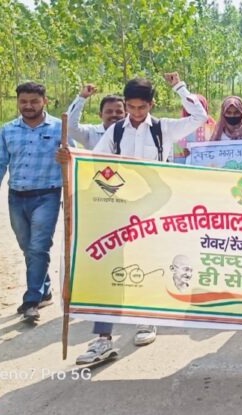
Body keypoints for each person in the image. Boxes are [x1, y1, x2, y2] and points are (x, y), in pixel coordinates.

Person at [70, 73, 208, 363]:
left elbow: (200, 116)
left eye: (141, 108)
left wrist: (179, 87)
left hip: (154, 207)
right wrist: (70, 160)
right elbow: (95, 161)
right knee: (110, 266)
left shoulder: (163, 129)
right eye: (131, 107)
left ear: (151, 104)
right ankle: (102, 339)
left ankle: (146, 319)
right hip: (119, 206)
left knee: (148, 264)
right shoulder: (116, 131)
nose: (135, 113)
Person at [0, 82, 65, 322]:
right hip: (17, 196)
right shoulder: (8, 130)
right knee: (28, 247)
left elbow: (76, 160)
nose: (28, 106)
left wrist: (67, 156)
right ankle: (45, 288)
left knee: (39, 247)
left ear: (45, 101)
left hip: (47, 195)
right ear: (18, 102)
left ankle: (31, 301)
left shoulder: (61, 128)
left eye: (34, 101)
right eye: (23, 102)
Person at [66, 85, 125, 150]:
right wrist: (82, 97)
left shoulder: (133, 133)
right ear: (100, 115)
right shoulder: (91, 133)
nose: (114, 115)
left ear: (126, 115)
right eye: (109, 112)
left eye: (119, 112)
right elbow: (70, 126)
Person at [171, 94, 215, 163]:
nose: (195, 112)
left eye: (198, 108)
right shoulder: (181, 126)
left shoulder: (212, 126)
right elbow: (179, 144)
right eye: (191, 108)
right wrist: (183, 150)